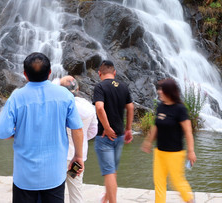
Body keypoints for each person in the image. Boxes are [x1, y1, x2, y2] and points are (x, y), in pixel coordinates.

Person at [0, 52, 84, 203]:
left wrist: (18, 132)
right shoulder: (65, 95)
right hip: (54, 174)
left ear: (25, 74)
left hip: (25, 177)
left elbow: (3, 132)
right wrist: (78, 156)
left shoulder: (17, 97)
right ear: (50, 73)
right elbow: (77, 129)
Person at [140, 78, 196, 203]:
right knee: (159, 182)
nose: (159, 92)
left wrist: (191, 151)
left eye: (162, 90)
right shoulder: (161, 107)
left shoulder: (180, 109)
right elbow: (156, 125)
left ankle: (190, 200)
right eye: (159, 89)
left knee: (177, 182)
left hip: (175, 154)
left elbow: (188, 132)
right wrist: (148, 141)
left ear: (169, 92)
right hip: (159, 152)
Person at [92, 60, 134, 203]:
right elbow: (131, 108)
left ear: (99, 73)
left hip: (105, 137)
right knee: (112, 172)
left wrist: (107, 127)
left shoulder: (100, 87)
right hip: (120, 136)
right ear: (114, 73)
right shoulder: (123, 86)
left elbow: (99, 107)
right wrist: (128, 129)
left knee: (109, 172)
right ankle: (106, 199)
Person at [59, 75, 98, 203]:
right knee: (76, 191)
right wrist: (82, 139)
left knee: (55, 191)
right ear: (78, 88)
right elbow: (92, 132)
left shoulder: (59, 105)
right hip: (77, 159)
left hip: (58, 158)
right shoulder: (88, 107)